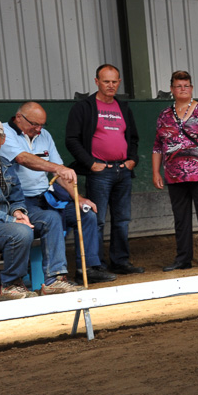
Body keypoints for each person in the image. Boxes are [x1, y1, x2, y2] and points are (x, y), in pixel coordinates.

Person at [0, 102, 116, 284]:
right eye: (34, 124)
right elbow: (23, 158)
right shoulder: (3, 134)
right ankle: (55, 278)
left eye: (42, 125)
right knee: (50, 218)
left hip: (45, 197)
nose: (39, 129)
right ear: (19, 117)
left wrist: (77, 198)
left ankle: (87, 268)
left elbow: (59, 171)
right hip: (19, 203)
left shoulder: (44, 135)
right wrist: (57, 168)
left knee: (86, 214)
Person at [0, 118, 82, 299]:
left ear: (2, 140)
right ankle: (11, 285)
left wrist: (19, 212)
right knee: (20, 231)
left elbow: (17, 197)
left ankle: (54, 280)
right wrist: (12, 220)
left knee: (51, 218)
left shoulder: (6, 164)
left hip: (5, 221)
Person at [65, 64, 144, 275]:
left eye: (114, 81)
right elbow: (72, 140)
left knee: (122, 220)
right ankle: (96, 265)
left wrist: (132, 160)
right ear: (97, 81)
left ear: (119, 82)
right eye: (106, 81)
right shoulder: (84, 107)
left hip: (123, 171)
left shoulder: (124, 107)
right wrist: (90, 163)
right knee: (97, 220)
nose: (111, 85)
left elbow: (134, 138)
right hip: (99, 173)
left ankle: (120, 262)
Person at [151, 71, 198, 271]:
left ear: (191, 88)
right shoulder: (165, 115)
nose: (183, 89)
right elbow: (158, 146)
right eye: (178, 86)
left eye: (186, 85)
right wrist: (156, 172)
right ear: (172, 89)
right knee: (181, 218)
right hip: (174, 175)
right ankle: (183, 258)